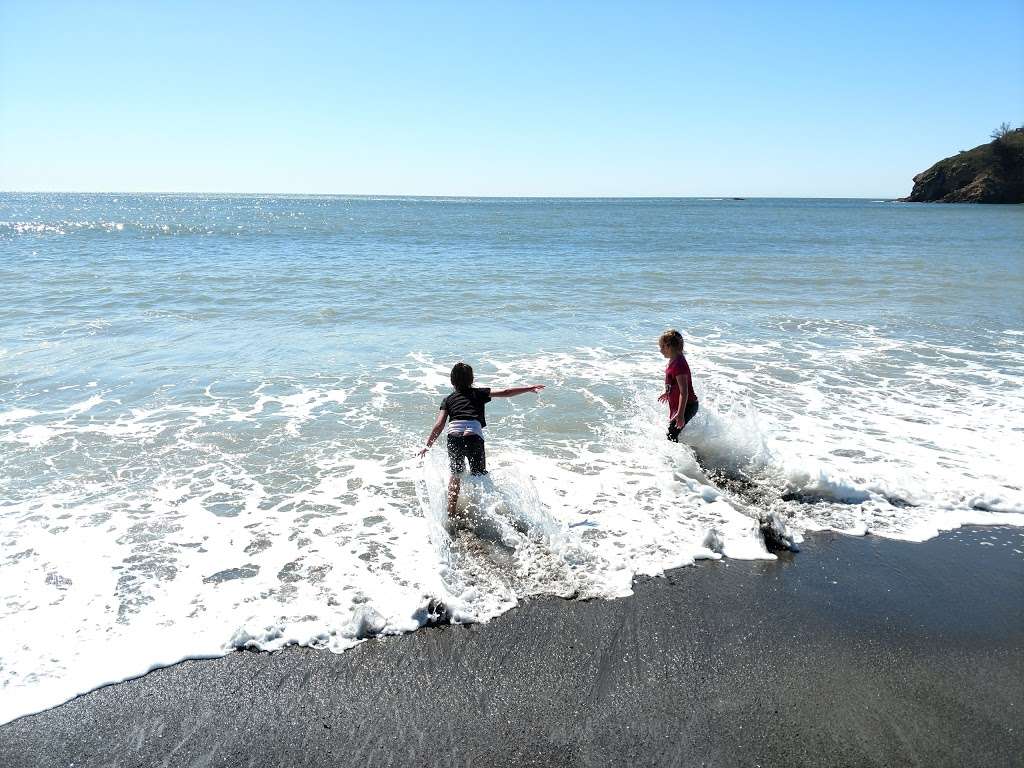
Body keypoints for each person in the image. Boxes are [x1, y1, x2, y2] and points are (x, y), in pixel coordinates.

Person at [418, 362, 544, 518]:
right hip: (473, 436)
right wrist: (528, 388)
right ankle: (486, 514)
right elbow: (506, 392)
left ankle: (451, 512)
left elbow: (439, 425)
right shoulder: (479, 393)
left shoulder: (448, 399)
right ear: (472, 380)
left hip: (454, 436)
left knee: (455, 475)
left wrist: (427, 446)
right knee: (479, 475)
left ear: (452, 381)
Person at [657, 329, 699, 441]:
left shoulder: (679, 364)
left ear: (669, 346)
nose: (660, 350)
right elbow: (673, 381)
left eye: (662, 347)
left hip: (688, 406)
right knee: (672, 435)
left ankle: (693, 458)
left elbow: (684, 392)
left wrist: (680, 415)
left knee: (671, 436)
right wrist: (667, 392)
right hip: (682, 406)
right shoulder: (673, 359)